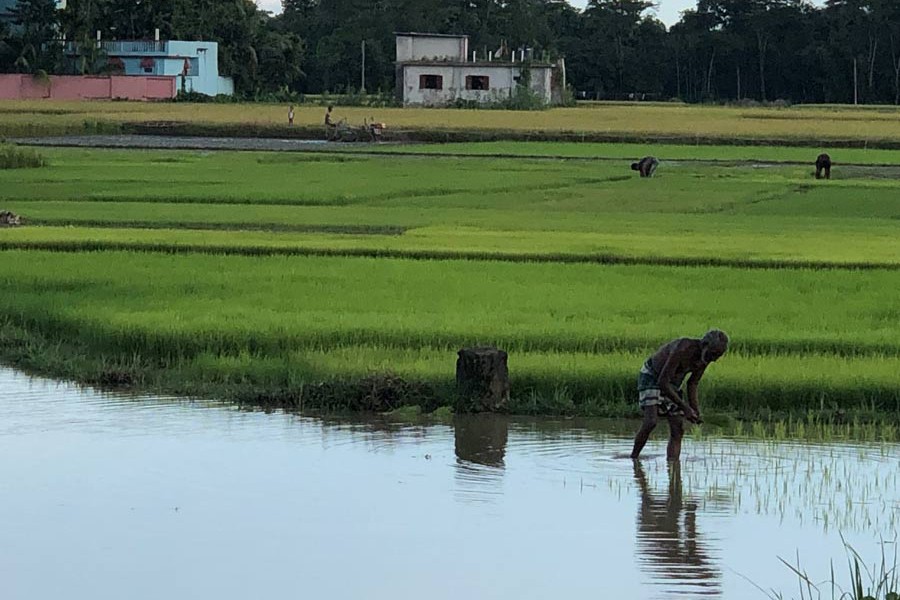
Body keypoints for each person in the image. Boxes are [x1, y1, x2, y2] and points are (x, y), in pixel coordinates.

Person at [631, 329, 729, 461]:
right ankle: (634, 459)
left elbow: (693, 383)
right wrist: (685, 408)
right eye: (713, 354)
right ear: (704, 345)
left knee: (678, 429)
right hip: (653, 376)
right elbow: (662, 382)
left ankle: (673, 466)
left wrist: (695, 410)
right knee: (651, 422)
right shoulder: (682, 349)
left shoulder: (705, 358)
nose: (714, 359)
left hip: (672, 383)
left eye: (718, 356)